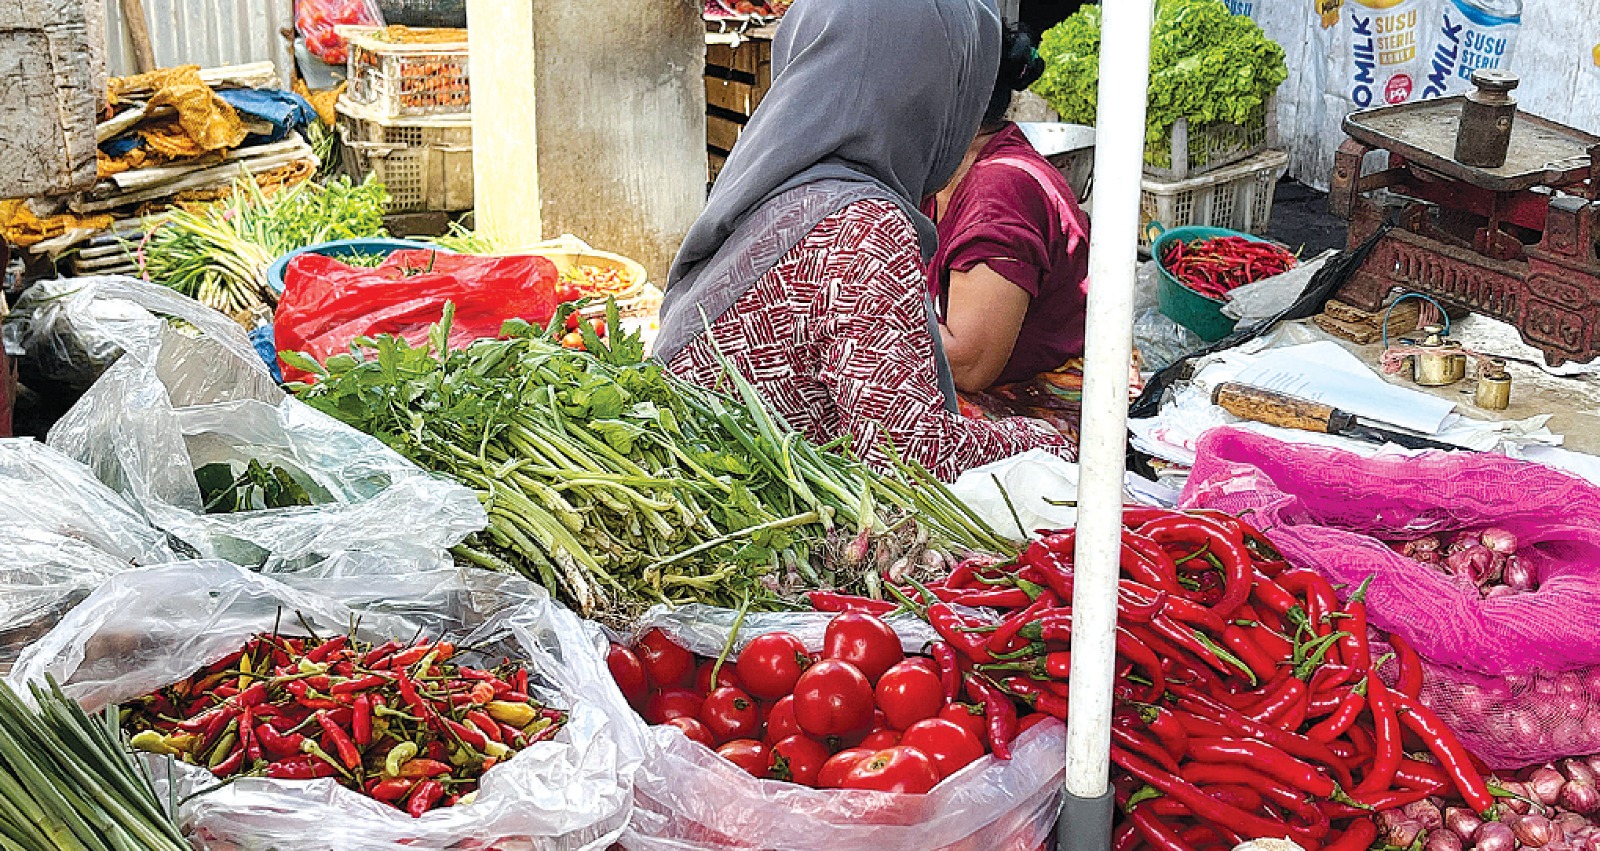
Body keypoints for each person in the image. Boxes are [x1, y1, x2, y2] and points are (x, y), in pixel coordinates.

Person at [655, 0, 1069, 482]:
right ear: (933, 94)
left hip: (690, 482)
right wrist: (1047, 440)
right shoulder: (863, 225)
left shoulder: (778, 179)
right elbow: (910, 456)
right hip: (735, 507)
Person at [924, 25, 1138, 446]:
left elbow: (969, 364)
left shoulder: (997, 193)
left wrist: (863, 321)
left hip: (1050, 409)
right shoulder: (948, 173)